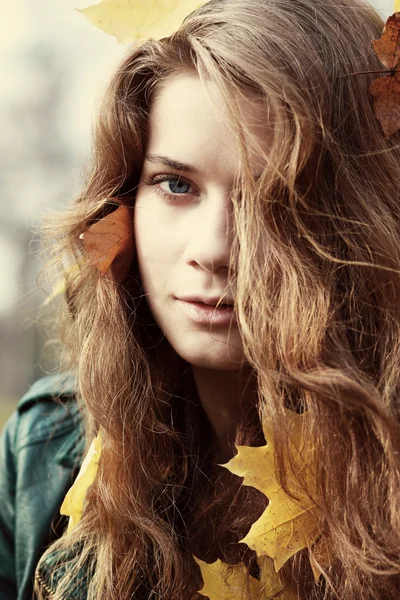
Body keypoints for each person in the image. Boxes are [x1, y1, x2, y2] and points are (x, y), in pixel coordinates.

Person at [1, 0, 400, 598]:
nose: (215, 250)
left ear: (358, 219)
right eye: (176, 184)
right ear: (125, 198)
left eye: (275, 197)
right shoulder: (45, 453)